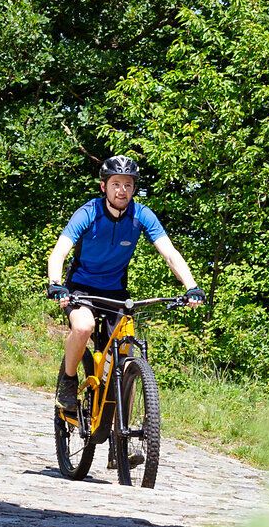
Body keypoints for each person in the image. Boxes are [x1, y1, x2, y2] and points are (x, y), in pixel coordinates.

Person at [47, 155, 203, 419]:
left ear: (134, 188)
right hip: (81, 290)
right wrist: (56, 284)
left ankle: (122, 438)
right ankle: (69, 381)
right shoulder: (89, 212)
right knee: (83, 327)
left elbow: (170, 254)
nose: (122, 190)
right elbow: (59, 253)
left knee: (126, 358)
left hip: (116, 294)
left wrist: (192, 286)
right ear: (103, 187)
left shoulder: (141, 215)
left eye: (128, 184)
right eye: (116, 184)